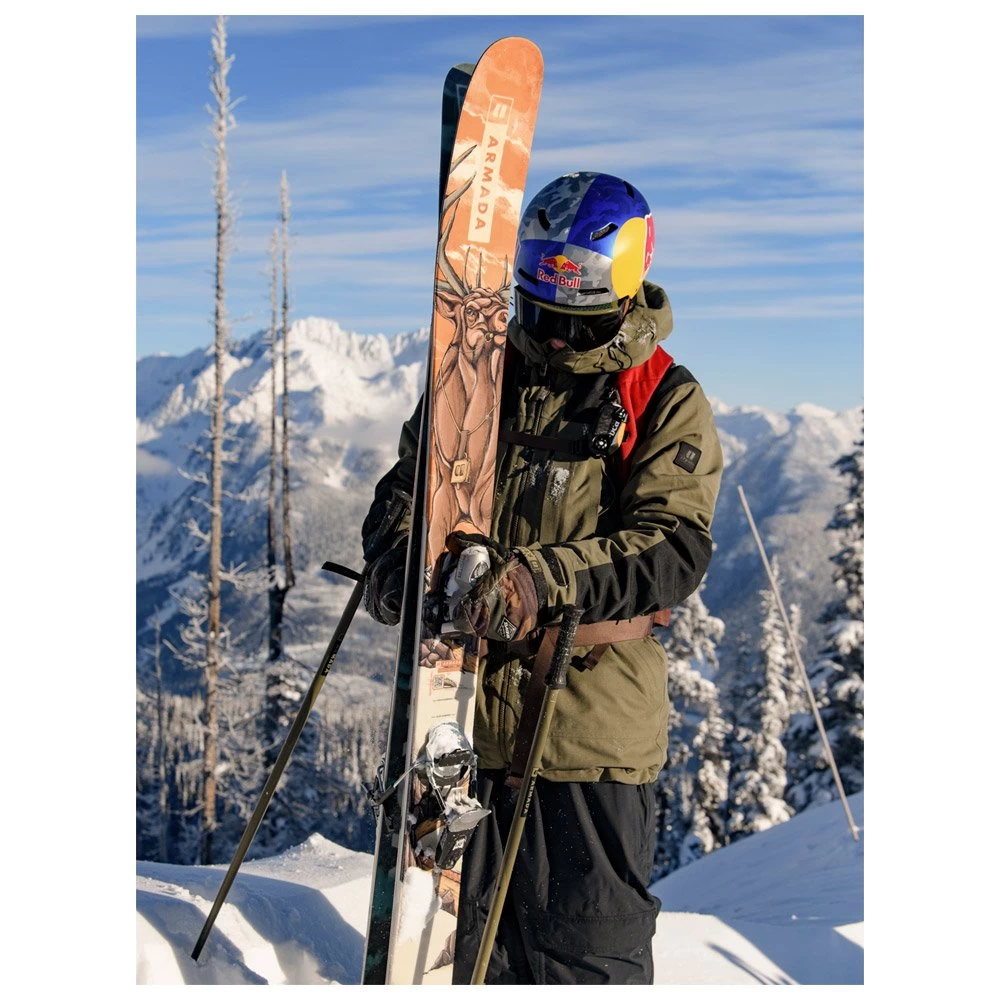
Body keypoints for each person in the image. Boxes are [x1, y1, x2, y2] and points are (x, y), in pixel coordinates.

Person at [361, 171, 723, 984]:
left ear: (621, 298)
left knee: (580, 961)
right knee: (452, 957)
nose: (554, 341)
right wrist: (396, 560)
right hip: (457, 732)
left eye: (576, 323)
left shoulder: (661, 397)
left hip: (584, 742)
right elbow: (408, 489)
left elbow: (668, 550)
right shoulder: (479, 378)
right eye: (540, 316)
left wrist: (532, 584)